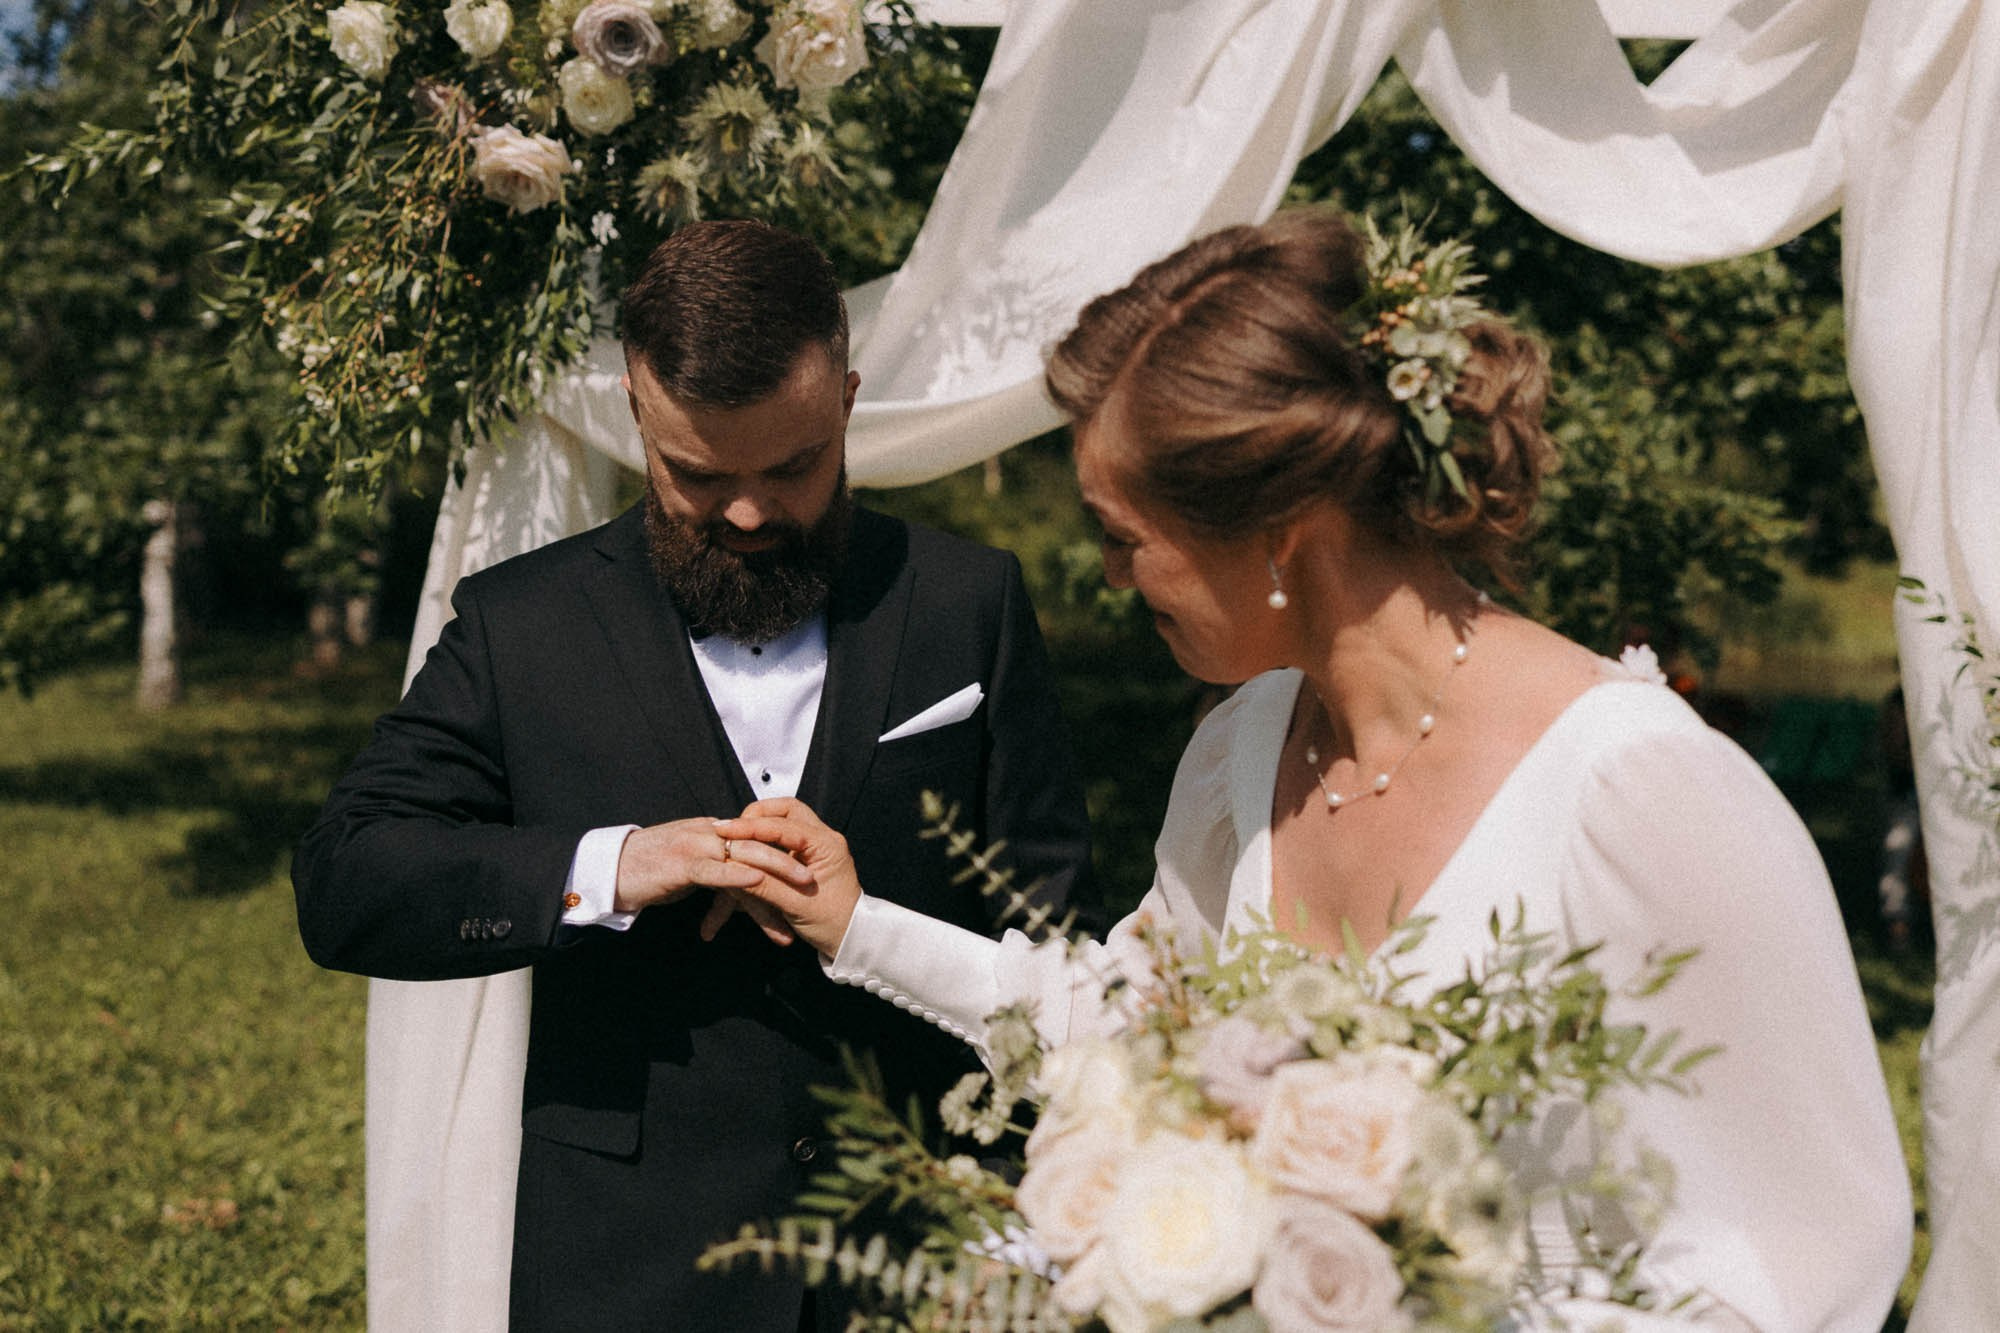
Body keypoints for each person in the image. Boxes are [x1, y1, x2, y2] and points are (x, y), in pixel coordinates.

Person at [714, 209, 1914, 1330]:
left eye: (1125, 540)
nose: (1111, 582)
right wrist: (855, 923)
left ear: (1282, 536)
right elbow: (1135, 1030)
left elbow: (1815, 1259)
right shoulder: (1245, 747)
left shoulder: (1638, 794)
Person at [291, 219, 1096, 1330]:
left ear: (849, 397)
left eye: (795, 465)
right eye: (698, 474)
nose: (751, 512)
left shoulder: (968, 602)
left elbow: (1051, 924)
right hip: (629, 1264)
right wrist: (609, 865)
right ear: (634, 407)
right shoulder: (519, 624)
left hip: (923, 1254)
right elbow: (346, 878)